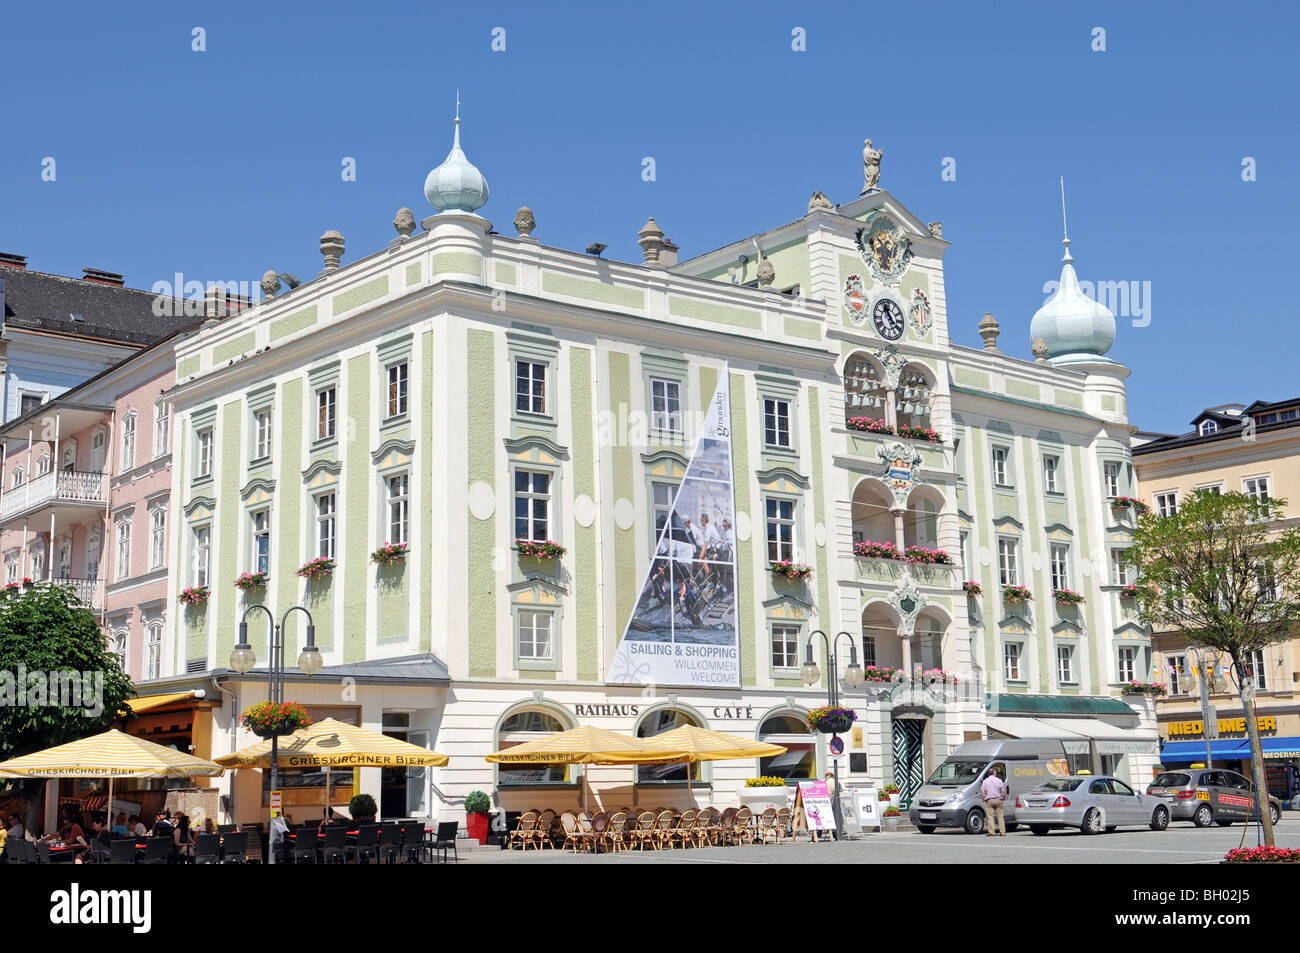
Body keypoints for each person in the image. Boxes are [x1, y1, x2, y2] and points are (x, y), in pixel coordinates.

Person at [981, 767, 1007, 836]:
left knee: (990, 816)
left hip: (990, 800)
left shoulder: (985, 781)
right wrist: (1003, 799)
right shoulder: (999, 780)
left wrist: (984, 800)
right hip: (998, 800)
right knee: (1000, 816)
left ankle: (992, 832)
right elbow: (1003, 791)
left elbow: (983, 792)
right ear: (994, 773)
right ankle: (1002, 832)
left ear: (989, 773)